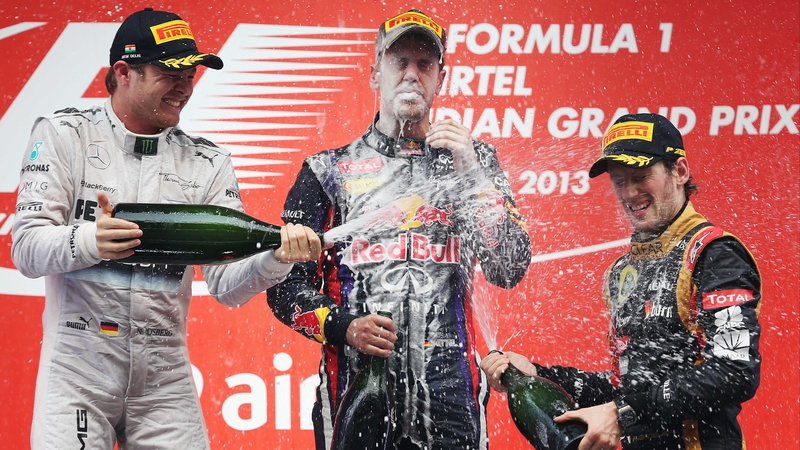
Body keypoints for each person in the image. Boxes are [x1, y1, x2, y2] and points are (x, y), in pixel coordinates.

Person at [11, 8, 321, 449]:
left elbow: (227, 288)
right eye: (169, 72)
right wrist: (88, 240)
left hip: (164, 378)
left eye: (190, 73)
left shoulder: (209, 162)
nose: (184, 86)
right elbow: (24, 247)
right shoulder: (64, 135)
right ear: (123, 72)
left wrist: (275, 260)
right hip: (78, 371)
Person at [265, 9, 532, 450]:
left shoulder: (474, 162)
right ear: (375, 73)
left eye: (424, 64)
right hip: (354, 393)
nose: (412, 74)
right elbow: (282, 288)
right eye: (399, 62)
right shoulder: (326, 171)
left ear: (441, 79)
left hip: (454, 397)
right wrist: (342, 326)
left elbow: (510, 267)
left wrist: (470, 174)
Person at [480, 113, 762, 450]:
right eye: (619, 181)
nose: (629, 192)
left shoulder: (714, 254)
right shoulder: (621, 272)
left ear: (680, 172)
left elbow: (733, 374)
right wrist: (538, 374)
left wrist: (623, 412)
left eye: (641, 176)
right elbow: (623, 387)